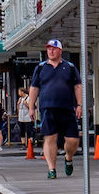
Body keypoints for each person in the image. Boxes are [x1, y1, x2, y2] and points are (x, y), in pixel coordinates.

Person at [27, 39, 83, 180]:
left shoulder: (69, 67)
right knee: (50, 138)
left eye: (54, 48)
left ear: (60, 50)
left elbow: (77, 86)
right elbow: (34, 88)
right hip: (47, 108)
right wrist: (31, 107)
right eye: (49, 49)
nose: (51, 51)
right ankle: (52, 168)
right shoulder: (40, 68)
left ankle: (68, 157)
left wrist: (79, 104)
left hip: (67, 108)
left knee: (73, 140)